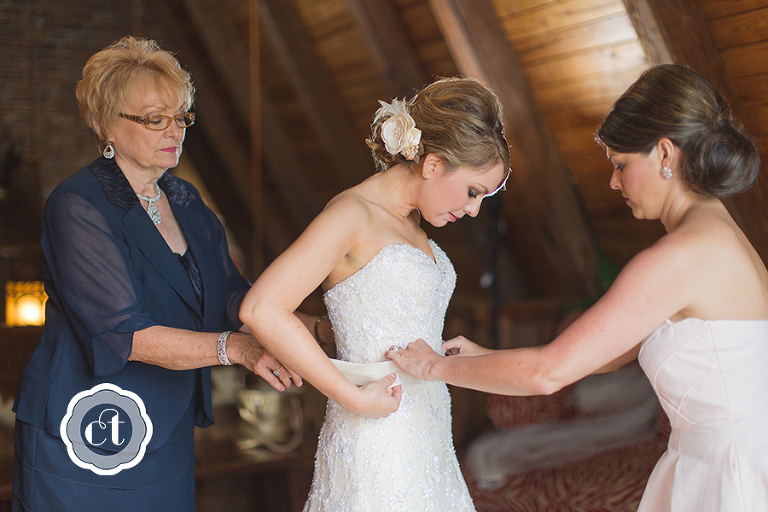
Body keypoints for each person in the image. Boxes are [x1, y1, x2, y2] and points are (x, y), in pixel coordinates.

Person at [387, 64, 768, 511]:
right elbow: (603, 357)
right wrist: (484, 358)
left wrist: (433, 368)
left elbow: (548, 372)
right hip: (728, 457)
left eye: (621, 164)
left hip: (725, 475)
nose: (612, 182)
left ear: (665, 154)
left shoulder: (683, 257)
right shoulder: (719, 239)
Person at [11, 36, 329, 512]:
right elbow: (127, 334)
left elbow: (238, 303)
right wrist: (236, 349)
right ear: (107, 124)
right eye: (156, 119)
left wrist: (327, 331)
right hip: (90, 429)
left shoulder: (186, 201)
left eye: (181, 118)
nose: (174, 131)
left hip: (168, 430)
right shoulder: (78, 205)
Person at [239, 76, 511, 511]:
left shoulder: (412, 225)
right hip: (374, 440)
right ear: (434, 163)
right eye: (473, 191)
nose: (475, 209)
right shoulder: (351, 215)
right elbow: (261, 308)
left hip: (429, 438)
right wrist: (350, 396)